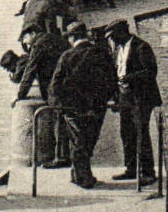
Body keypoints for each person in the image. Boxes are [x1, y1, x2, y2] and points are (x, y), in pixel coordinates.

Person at [49, 22, 118, 188]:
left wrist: (60, 105)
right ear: (86, 36)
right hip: (96, 106)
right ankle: (80, 174)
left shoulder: (67, 56)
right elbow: (111, 80)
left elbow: (55, 85)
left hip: (73, 108)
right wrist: (104, 98)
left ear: (72, 37)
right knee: (88, 140)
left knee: (78, 141)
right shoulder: (101, 53)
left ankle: (82, 177)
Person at [106, 19, 160, 184]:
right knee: (126, 132)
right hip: (125, 97)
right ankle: (131, 168)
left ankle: (148, 172)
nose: (112, 40)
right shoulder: (118, 49)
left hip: (141, 97)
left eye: (113, 36)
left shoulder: (141, 47)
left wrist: (129, 78)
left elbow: (151, 72)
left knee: (141, 133)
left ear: (122, 33)